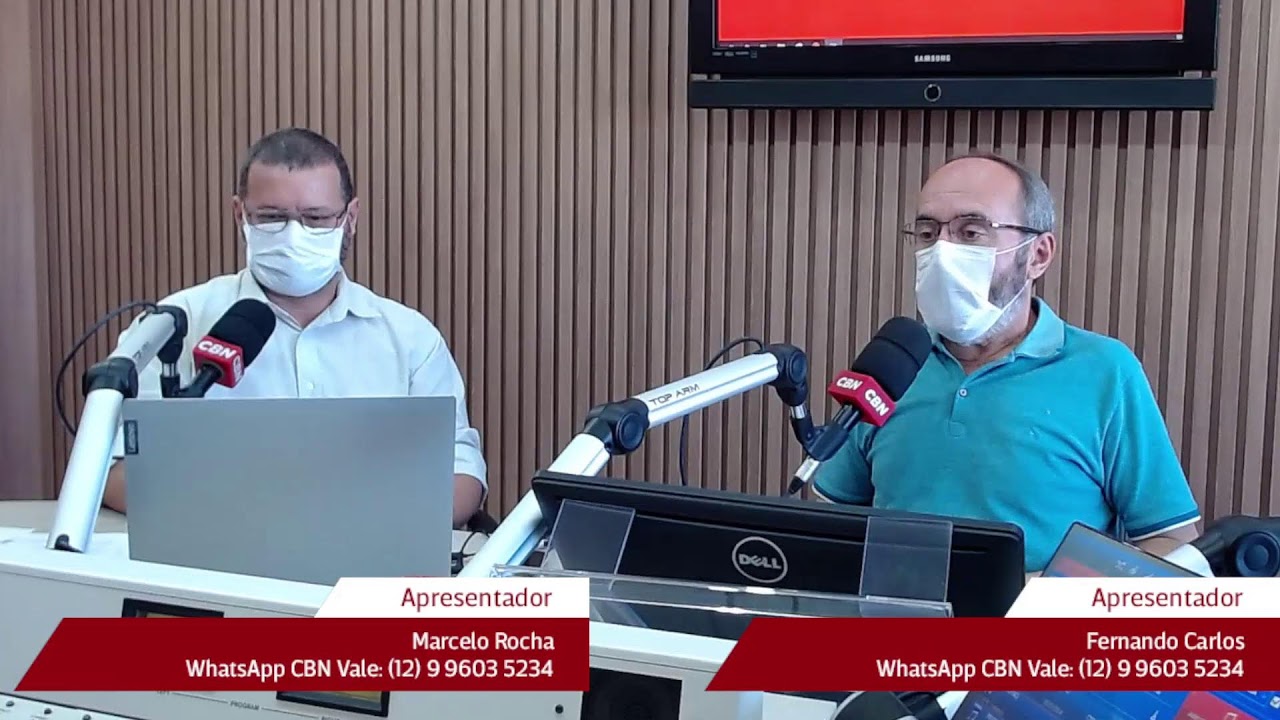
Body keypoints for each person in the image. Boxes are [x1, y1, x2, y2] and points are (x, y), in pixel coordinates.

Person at [812, 154, 1201, 574]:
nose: (942, 251)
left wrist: (1052, 593)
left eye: (971, 232)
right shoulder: (894, 366)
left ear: (1037, 255)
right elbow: (830, 519)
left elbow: (1172, 541)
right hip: (900, 612)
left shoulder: (1106, 371)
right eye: (928, 233)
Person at [102, 127, 486, 527]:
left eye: (315, 218)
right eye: (272, 218)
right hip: (214, 552)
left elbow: (461, 472)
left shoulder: (409, 339)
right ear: (240, 215)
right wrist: (248, 515)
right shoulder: (173, 326)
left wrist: (369, 523)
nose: (293, 235)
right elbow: (109, 470)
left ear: (350, 218)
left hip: (372, 551)